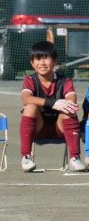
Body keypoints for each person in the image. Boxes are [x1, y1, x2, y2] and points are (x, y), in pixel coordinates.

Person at [20, 41, 85, 172]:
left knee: (69, 109)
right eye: (38, 59)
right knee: (29, 107)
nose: (42, 63)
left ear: (54, 61)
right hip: (38, 128)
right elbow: (26, 98)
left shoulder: (65, 81)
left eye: (46, 58)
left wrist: (64, 104)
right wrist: (53, 103)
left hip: (61, 129)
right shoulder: (30, 80)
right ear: (32, 63)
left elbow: (71, 101)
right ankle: (26, 157)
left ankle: (75, 158)